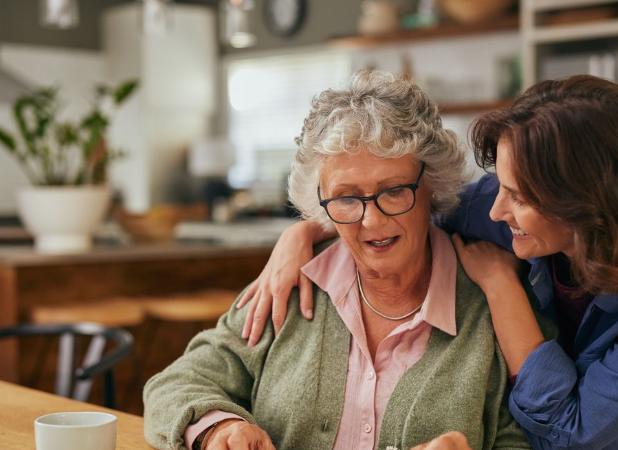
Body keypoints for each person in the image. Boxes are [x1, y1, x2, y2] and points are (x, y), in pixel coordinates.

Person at [236, 74, 618, 449]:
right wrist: (303, 233)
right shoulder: (499, 209)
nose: (494, 208)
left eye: (520, 197)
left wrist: (500, 286)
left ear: (587, 206)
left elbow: (570, 430)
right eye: (500, 184)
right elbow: (399, 210)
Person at [144, 71, 535, 450]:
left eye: (394, 191)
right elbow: (176, 383)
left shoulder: (495, 307)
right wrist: (220, 428)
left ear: (432, 183)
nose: (372, 220)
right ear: (322, 204)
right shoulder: (290, 287)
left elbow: (528, 439)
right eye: (347, 198)